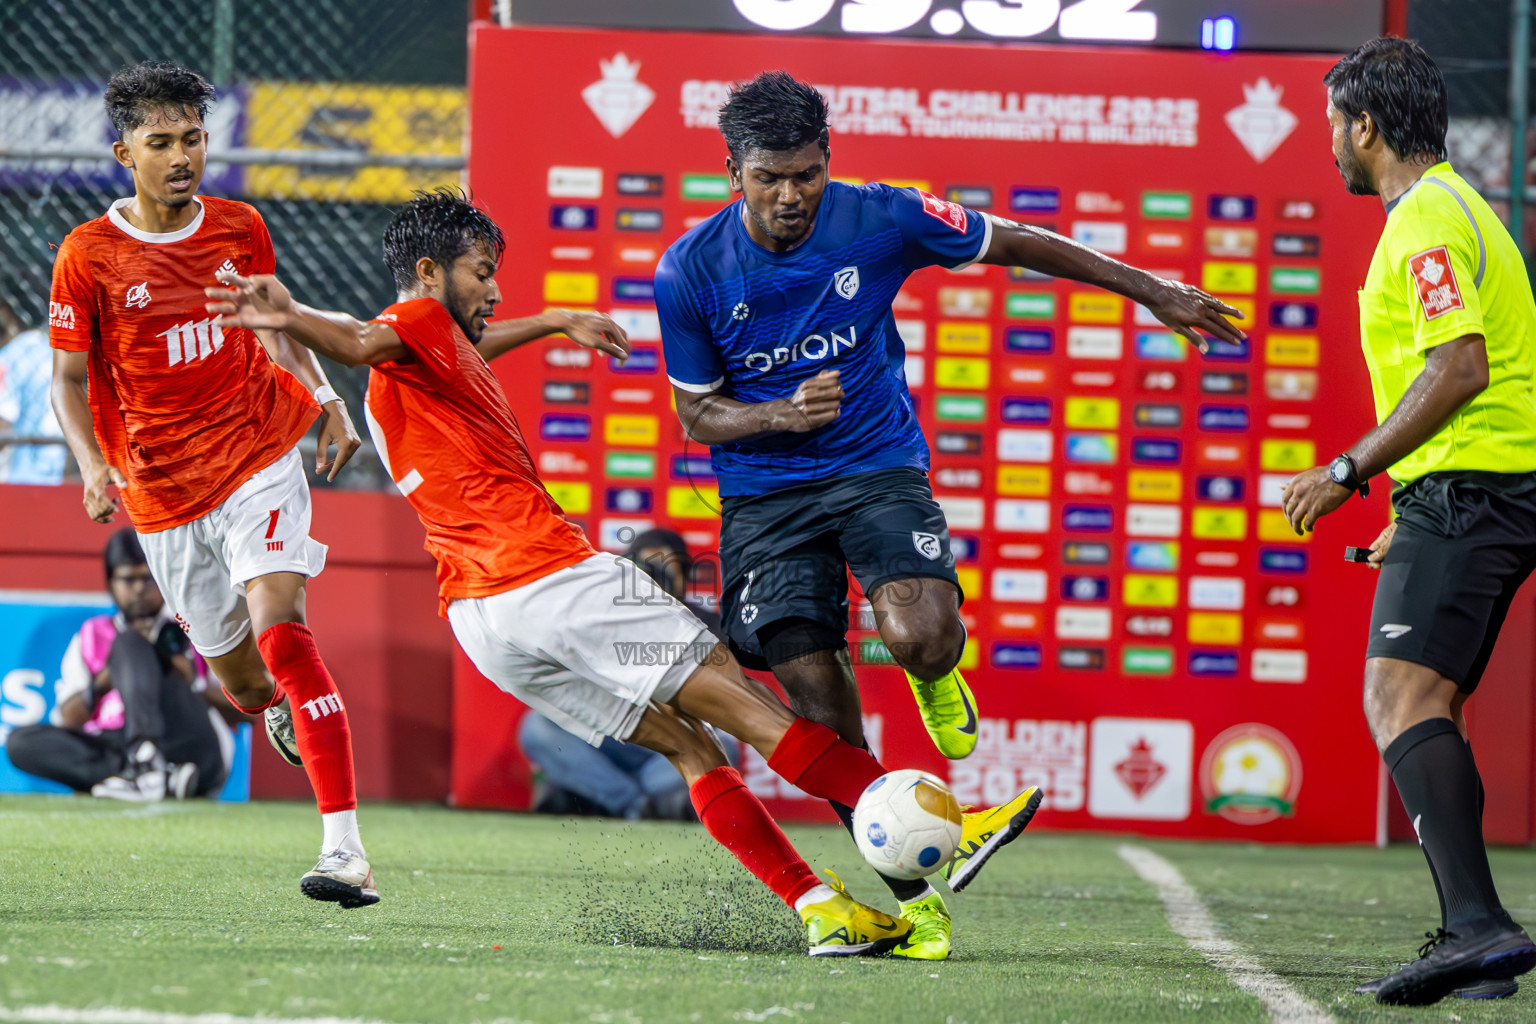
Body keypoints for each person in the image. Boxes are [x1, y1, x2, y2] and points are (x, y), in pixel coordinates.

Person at [204, 188, 1042, 958]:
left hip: (484, 620)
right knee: (742, 705)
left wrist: (554, 318)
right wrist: (295, 315)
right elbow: (355, 338)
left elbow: (445, 339)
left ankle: (821, 907)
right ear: (430, 273)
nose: (494, 291)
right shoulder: (415, 320)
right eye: (482, 272)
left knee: (688, 747)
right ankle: (949, 827)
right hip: (558, 580)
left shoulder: (427, 356)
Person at [653, 70, 1246, 959]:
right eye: (767, 176)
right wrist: (780, 415)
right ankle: (917, 902)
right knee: (823, 713)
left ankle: (936, 679)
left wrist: (1147, 288)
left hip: (874, 464)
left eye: (806, 174)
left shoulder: (882, 216)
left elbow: (1015, 241)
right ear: (731, 168)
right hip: (764, 497)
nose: (788, 196)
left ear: (829, 162)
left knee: (924, 632)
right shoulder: (689, 270)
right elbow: (695, 410)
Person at [47, 60, 377, 909]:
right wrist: (93, 465)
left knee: (282, 625)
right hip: (162, 496)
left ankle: (345, 851)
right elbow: (68, 381)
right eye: (160, 142)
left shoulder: (240, 226)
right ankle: (272, 707)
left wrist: (327, 403)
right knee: (245, 682)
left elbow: (275, 325)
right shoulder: (88, 255)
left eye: (193, 138)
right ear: (124, 151)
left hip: (258, 455)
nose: (181, 156)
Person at [1278, 37, 1536, 1006]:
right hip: (1472, 485)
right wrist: (1403, 503)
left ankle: (1477, 927)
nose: (1330, 144)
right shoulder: (1456, 206)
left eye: (1332, 125)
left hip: (1476, 488)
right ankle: (1483, 953)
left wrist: (1348, 469)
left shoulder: (1425, 219)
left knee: (1398, 695)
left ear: (1366, 125)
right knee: (1433, 700)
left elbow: (1460, 364)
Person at [6, 529, 233, 800]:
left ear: (162, 577)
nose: (139, 588)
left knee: (130, 643)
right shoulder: (92, 635)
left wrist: (192, 682)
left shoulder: (192, 628)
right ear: (111, 583)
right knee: (20, 744)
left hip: (190, 743)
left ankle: (143, 767)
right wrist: (107, 678)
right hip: (117, 741)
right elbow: (66, 719)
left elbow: (249, 711)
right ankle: (153, 775)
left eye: (148, 578)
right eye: (128, 579)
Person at [521, 529, 725, 821]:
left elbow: (715, 701)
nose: (656, 577)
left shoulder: (706, 625)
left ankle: (594, 794)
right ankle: (640, 803)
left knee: (724, 748)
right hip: (607, 738)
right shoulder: (600, 616)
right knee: (539, 728)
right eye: (647, 568)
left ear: (685, 573)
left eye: (666, 567)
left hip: (670, 748)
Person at [0, 297, 66, 484]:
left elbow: (2, 423)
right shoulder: (56, 354)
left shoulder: (11, 356)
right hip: (53, 472)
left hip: (16, 476)